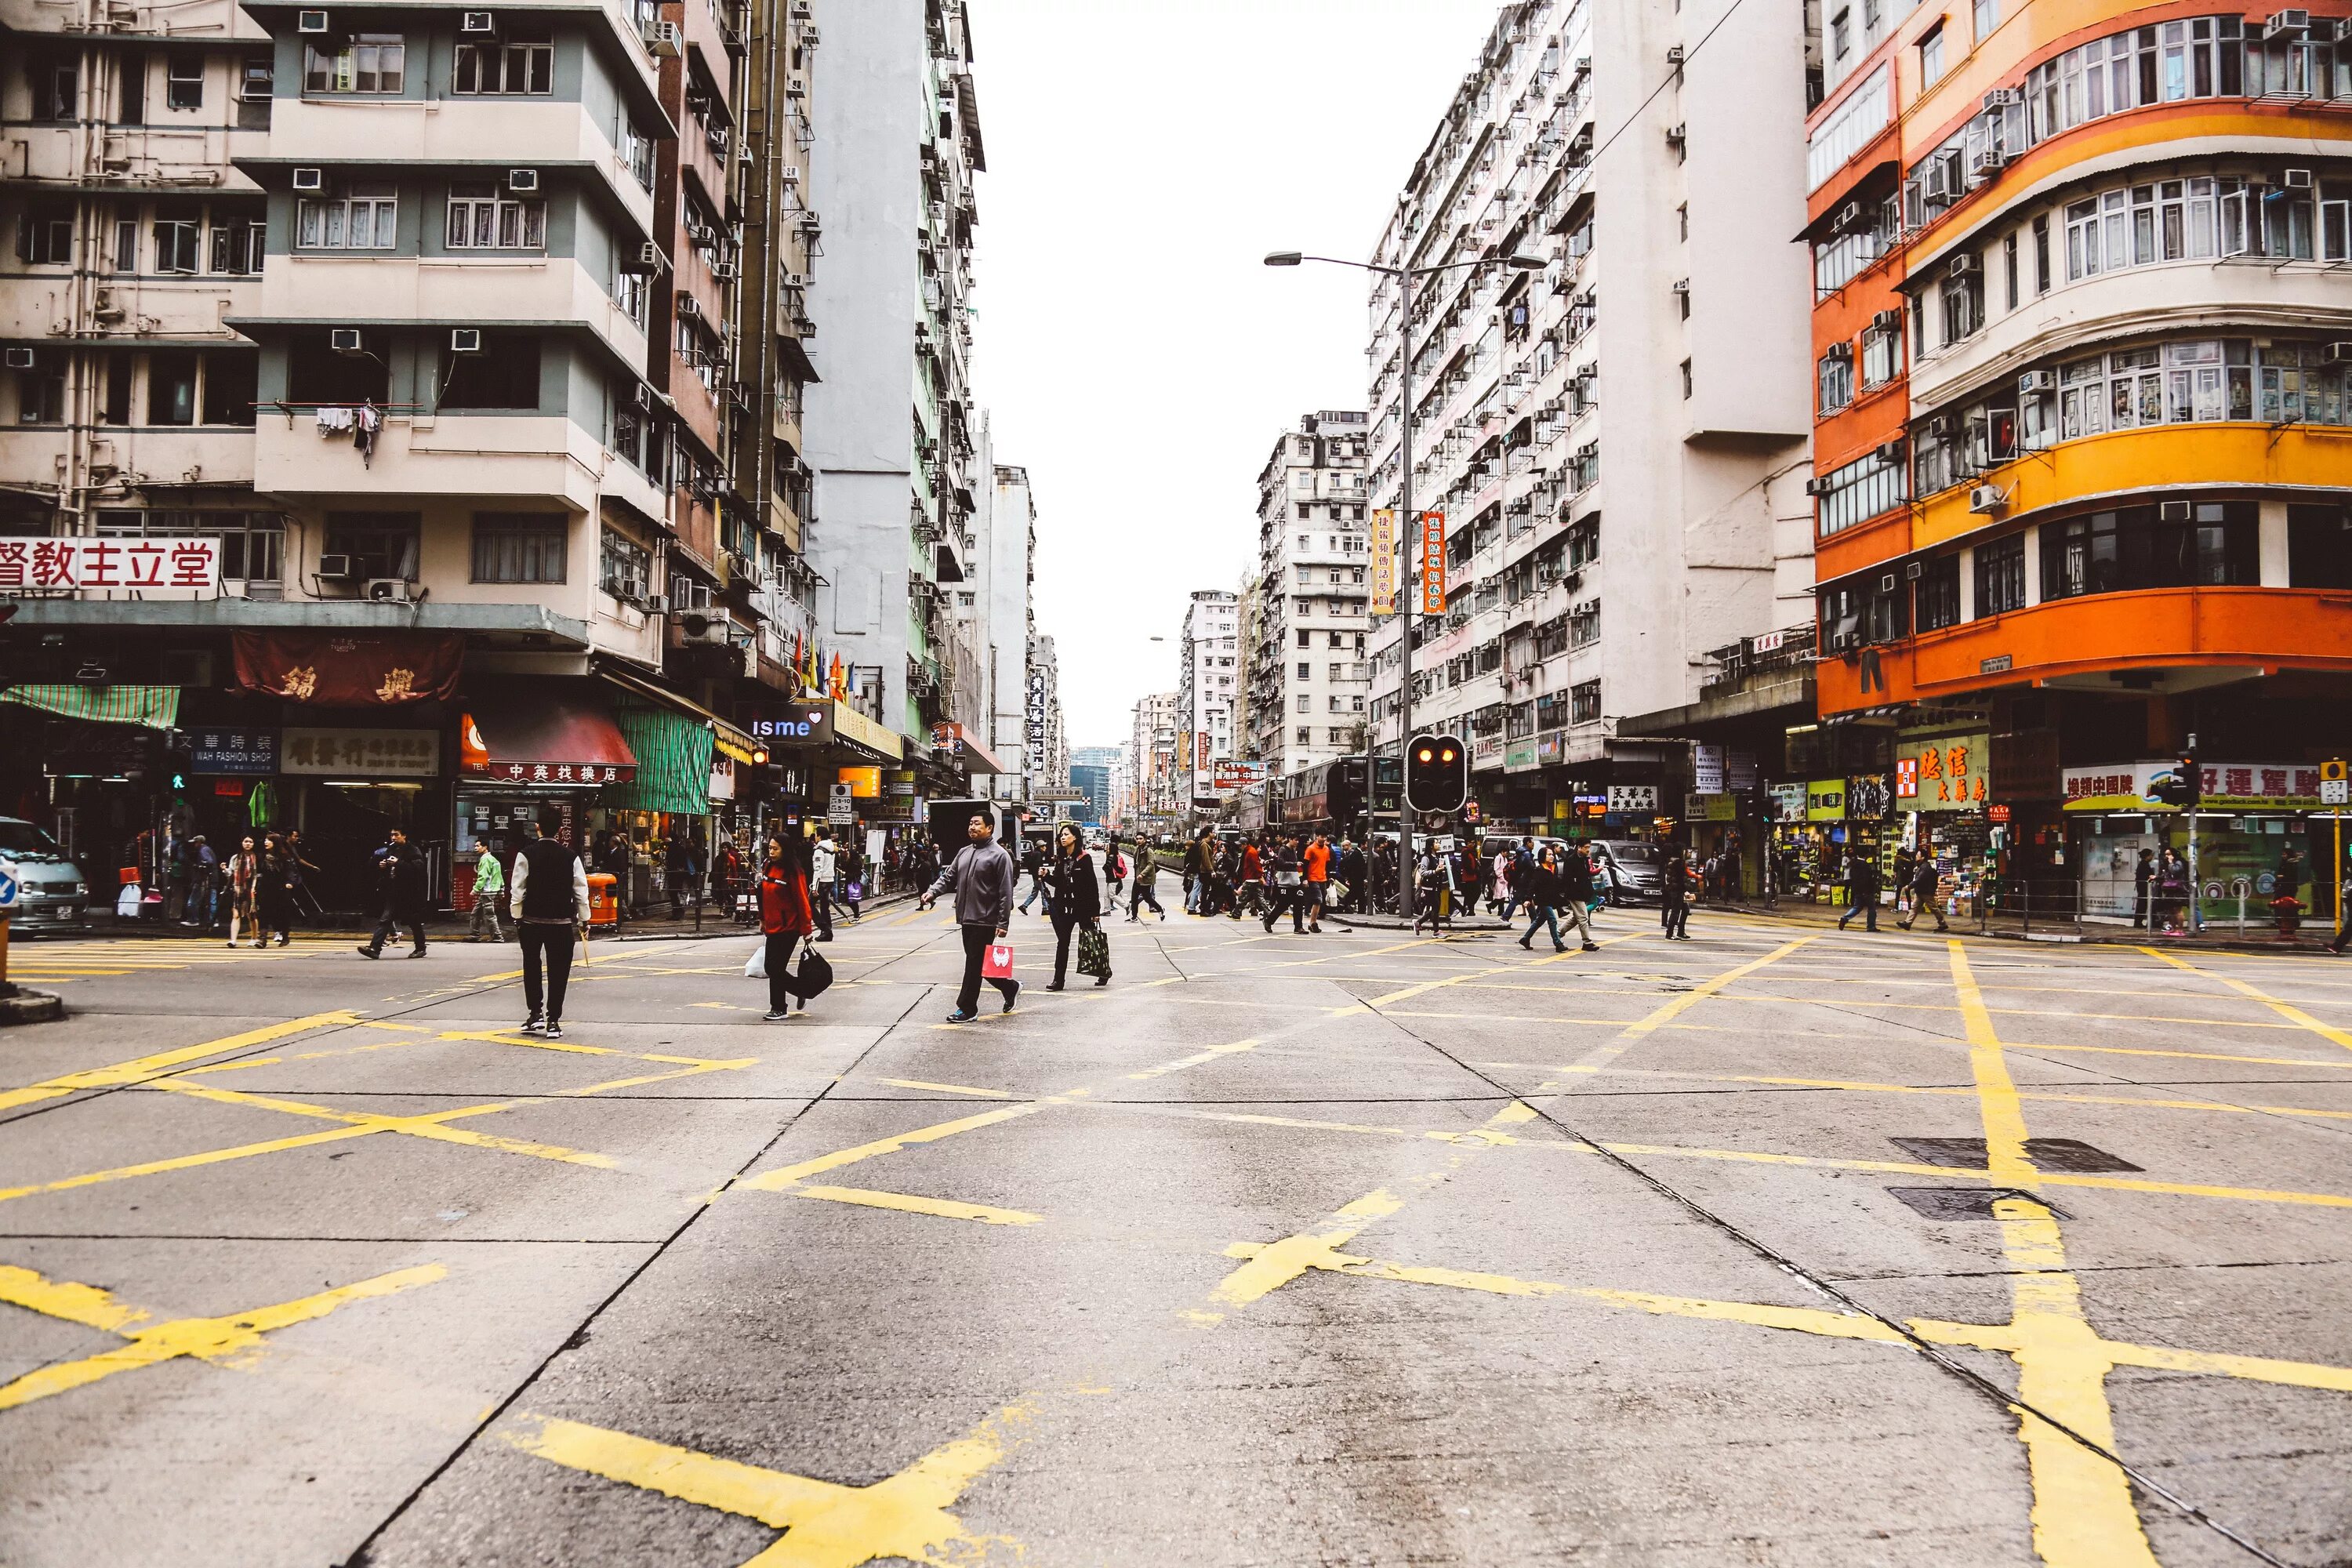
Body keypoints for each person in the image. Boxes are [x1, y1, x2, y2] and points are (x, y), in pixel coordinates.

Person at [922, 812, 1020, 1022]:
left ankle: (967, 1008)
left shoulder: (999, 855)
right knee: (978, 964)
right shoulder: (964, 853)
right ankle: (1010, 987)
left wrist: (1003, 922)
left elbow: (1006, 891)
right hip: (966, 917)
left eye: (977, 824)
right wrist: (932, 892)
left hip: (986, 918)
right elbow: (948, 877)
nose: (972, 827)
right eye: (970, 823)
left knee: (973, 964)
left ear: (990, 828)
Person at [509, 813, 588, 1036]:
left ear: (537, 828)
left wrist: (517, 914)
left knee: (531, 967)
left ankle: (535, 1014)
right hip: (561, 922)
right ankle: (554, 1020)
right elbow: (581, 890)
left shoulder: (526, 854)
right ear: (560, 831)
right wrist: (584, 919)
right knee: (559, 971)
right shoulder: (571, 857)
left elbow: (518, 888)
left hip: (532, 921)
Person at [755, 834, 817, 1021]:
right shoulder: (768, 866)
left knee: (773, 968)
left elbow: (802, 901)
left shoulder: (793, 871)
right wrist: (762, 919)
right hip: (772, 925)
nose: (771, 852)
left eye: (776, 849)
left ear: (785, 850)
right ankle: (781, 1005)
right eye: (770, 849)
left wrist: (807, 930)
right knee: (775, 968)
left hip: (789, 927)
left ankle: (785, 1003)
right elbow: (764, 895)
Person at [1043, 822, 1106, 989]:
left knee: (1091, 941)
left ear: (1075, 837)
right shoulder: (1062, 860)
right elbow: (1057, 882)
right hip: (1065, 908)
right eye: (1062, 835)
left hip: (1083, 908)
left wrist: (1096, 911)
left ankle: (1104, 971)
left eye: (1066, 835)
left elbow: (1092, 886)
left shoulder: (1085, 858)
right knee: (1062, 943)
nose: (1063, 838)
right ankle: (1058, 980)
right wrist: (1046, 875)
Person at [358, 827, 429, 959]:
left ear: (404, 836)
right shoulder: (391, 850)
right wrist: (383, 866)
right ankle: (375, 948)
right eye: (392, 835)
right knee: (385, 920)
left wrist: (399, 863)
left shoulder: (413, 850)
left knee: (414, 921)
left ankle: (420, 948)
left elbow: (418, 869)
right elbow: (382, 868)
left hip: (409, 893)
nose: (393, 838)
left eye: (396, 835)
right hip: (393, 891)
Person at [256, 833, 296, 947]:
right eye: (265, 840)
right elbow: (258, 871)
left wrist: (289, 882)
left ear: (275, 843)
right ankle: (262, 938)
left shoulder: (284, 857)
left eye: (268, 840)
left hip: (281, 889)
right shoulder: (262, 856)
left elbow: (290, 871)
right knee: (263, 913)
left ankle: (285, 936)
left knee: (281, 914)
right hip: (265, 888)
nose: (265, 842)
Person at [1261, 837, 1306, 934]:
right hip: (1285, 882)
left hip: (1295, 882)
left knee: (1298, 904)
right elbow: (1281, 863)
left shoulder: (1294, 850)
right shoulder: (1283, 849)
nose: (1297, 842)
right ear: (1290, 839)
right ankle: (1268, 921)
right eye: (1296, 840)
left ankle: (1298, 927)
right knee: (1283, 905)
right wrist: (1295, 864)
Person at [1897, 851, 1949, 931]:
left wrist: (1909, 886)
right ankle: (1907, 923)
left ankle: (1943, 924)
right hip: (1920, 891)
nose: (1916, 857)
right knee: (1914, 908)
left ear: (1923, 857)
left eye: (1918, 855)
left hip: (1926, 892)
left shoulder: (1925, 868)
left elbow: (1919, 880)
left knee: (1933, 908)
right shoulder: (1921, 866)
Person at [225, 833, 260, 949]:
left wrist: (254, 888)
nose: (248, 844)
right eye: (246, 841)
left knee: (252, 915)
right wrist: (224, 869)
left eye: (250, 842)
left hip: (251, 889)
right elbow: (231, 873)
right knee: (236, 914)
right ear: (242, 843)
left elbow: (256, 875)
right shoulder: (236, 857)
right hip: (237, 889)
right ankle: (233, 940)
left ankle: (254, 938)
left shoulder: (256, 857)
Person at [468, 840, 506, 942]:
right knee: (475, 913)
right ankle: (474, 935)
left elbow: (483, 876)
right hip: (491, 891)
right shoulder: (494, 860)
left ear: (485, 847)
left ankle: (497, 937)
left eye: (478, 846)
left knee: (489, 915)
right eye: (475, 846)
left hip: (487, 891)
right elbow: (499, 876)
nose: (475, 848)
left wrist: (475, 889)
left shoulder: (485, 860)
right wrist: (501, 890)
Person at [1412, 846, 1454, 935]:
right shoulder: (1426, 858)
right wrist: (1435, 871)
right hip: (1429, 887)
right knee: (1436, 907)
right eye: (1436, 843)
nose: (1439, 844)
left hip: (1436, 886)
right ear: (1431, 846)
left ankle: (1418, 923)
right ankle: (1436, 931)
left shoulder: (1436, 857)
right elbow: (1423, 872)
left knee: (1436, 908)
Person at [1836, 848, 1881, 932]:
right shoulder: (1865, 865)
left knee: (1857, 907)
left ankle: (1845, 918)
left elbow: (1852, 877)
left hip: (1857, 889)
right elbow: (1867, 878)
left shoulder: (1854, 864)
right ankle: (1871, 926)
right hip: (1866, 890)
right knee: (1871, 908)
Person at [809, 830, 837, 940]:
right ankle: (827, 932)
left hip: (821, 881)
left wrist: (815, 887)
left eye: (816, 834)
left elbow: (818, 870)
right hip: (830, 880)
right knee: (825, 906)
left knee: (809, 905)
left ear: (819, 836)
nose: (815, 837)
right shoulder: (831, 849)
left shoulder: (819, 851)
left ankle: (825, 929)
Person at [1661, 848, 1695, 940]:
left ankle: (1680, 932)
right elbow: (1679, 878)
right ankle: (1669, 934)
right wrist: (1685, 891)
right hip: (1677, 890)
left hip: (1673, 889)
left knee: (1685, 910)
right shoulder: (1678, 863)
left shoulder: (1671, 861)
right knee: (1676, 912)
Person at [1127, 842, 1166, 921]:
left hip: (1145, 878)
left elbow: (1151, 864)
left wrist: (1142, 874)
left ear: (1144, 839)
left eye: (1141, 839)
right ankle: (1134, 917)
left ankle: (1160, 909)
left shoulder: (1149, 850)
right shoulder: (1137, 849)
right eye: (1137, 839)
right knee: (1134, 897)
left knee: (1147, 897)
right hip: (1138, 877)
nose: (1138, 840)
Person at [1301, 831, 1330, 933]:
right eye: (1322, 837)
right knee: (1317, 900)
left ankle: (1313, 922)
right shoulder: (1310, 849)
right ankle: (1313, 923)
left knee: (1320, 901)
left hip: (1323, 878)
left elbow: (1327, 864)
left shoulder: (1327, 849)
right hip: (1312, 878)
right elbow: (1306, 864)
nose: (1324, 839)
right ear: (1317, 836)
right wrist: (1305, 879)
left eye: (1325, 837)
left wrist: (1330, 876)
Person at [2132, 848, 2156, 929]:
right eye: (2151, 855)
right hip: (2144, 888)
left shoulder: (2143, 864)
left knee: (2142, 905)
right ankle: (2138, 922)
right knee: (2142, 905)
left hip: (2142, 887)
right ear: (2147, 856)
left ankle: (2138, 922)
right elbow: (2147, 876)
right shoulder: (2144, 865)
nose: (2152, 857)